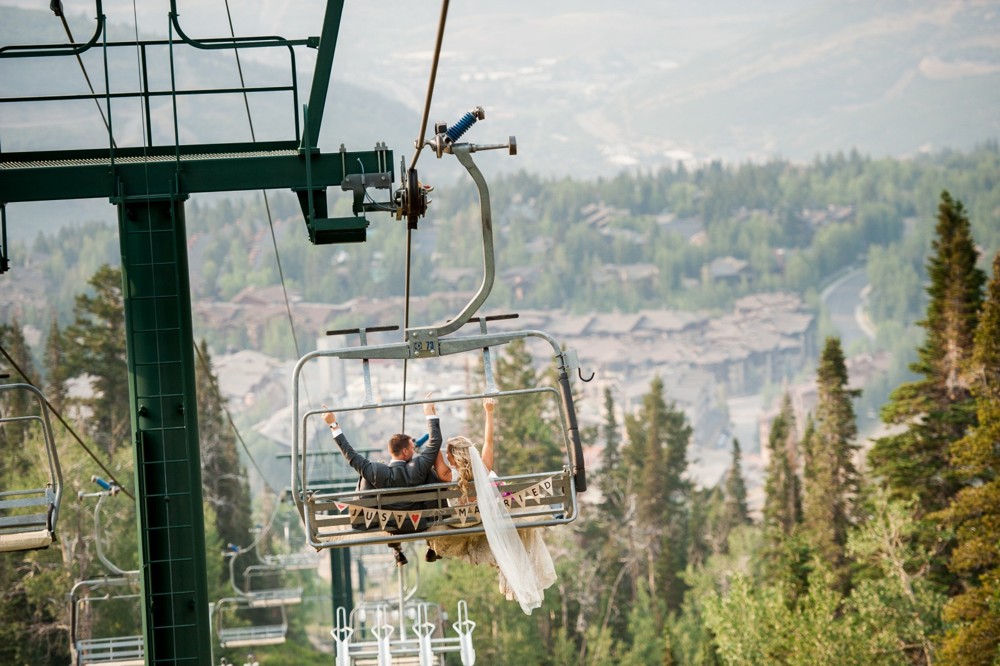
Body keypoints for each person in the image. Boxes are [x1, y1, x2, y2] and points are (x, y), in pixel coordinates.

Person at [427, 397, 557, 615]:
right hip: (483, 519)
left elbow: (433, 447)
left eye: (448, 454)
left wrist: (431, 415)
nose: (446, 457)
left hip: (463, 526)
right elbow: (489, 443)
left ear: (453, 456)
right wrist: (489, 412)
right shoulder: (483, 469)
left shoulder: (449, 475)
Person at [323, 400, 441, 566]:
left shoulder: (378, 472)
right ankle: (432, 542)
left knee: (365, 474)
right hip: (421, 523)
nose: (414, 452)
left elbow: (350, 455)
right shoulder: (417, 469)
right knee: (429, 473)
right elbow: (435, 443)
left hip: (389, 525)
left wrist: (333, 424)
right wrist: (430, 412)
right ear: (405, 451)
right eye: (412, 449)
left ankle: (390, 543)